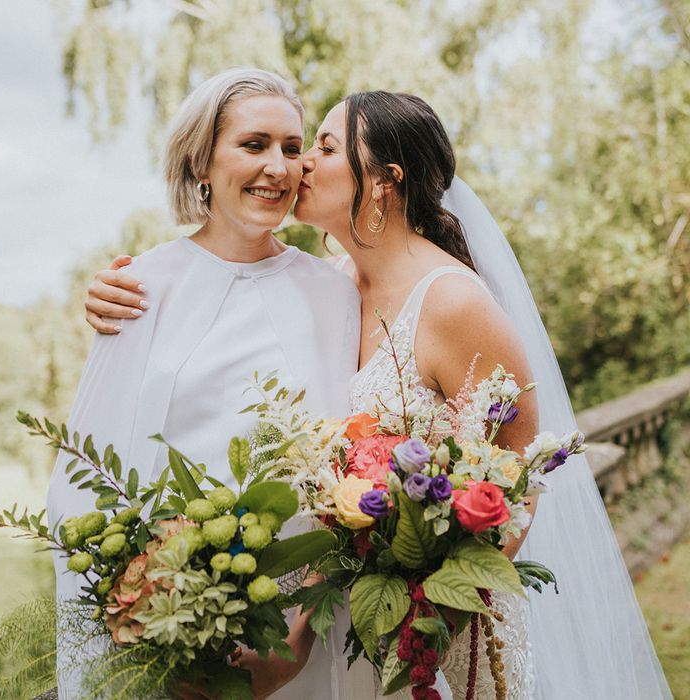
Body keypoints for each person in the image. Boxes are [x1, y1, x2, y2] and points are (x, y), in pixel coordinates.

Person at [86, 89, 672, 699]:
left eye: (323, 147)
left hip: (440, 634)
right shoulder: (332, 284)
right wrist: (130, 291)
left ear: (386, 182)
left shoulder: (452, 302)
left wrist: (431, 615)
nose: (298, 164)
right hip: (345, 619)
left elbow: (517, 474)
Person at [46, 68, 378, 700]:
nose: (278, 167)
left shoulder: (336, 292)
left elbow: (347, 463)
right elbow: (83, 484)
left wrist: (297, 642)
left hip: (301, 629)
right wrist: (143, 624)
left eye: (290, 147)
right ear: (201, 161)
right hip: (171, 633)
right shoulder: (139, 286)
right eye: (253, 145)